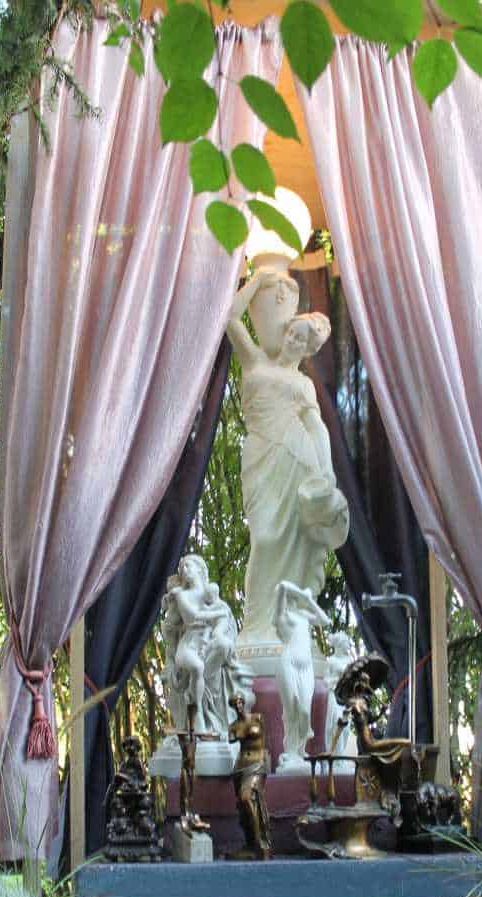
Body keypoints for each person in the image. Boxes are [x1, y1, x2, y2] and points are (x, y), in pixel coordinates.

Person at [226, 268, 349, 647]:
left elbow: (317, 428)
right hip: (261, 456)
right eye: (292, 333)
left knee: (289, 543)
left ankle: (283, 626)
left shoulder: (303, 385)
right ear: (285, 333)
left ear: (308, 349)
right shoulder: (255, 362)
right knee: (263, 538)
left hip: (298, 459)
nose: (294, 340)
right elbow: (229, 317)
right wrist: (257, 280)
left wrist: (326, 472)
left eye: (302, 340)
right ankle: (255, 625)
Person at [160, 554, 246, 738]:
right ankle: (197, 711)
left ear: (201, 569)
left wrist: (220, 624)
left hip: (207, 644)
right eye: (182, 568)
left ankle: (209, 708)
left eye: (188, 566)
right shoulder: (181, 595)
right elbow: (186, 620)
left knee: (223, 645)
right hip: (190, 644)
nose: (184, 570)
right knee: (197, 667)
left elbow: (225, 620)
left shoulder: (212, 595)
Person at [273, 579, 330, 770]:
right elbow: (282, 586)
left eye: (293, 598)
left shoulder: (304, 616)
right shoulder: (281, 616)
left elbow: (325, 620)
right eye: (290, 598)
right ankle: (290, 752)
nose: (291, 600)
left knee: (305, 710)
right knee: (292, 710)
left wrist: (309, 600)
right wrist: (301, 593)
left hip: (307, 667)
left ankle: (300, 751)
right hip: (288, 664)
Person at [228, 694, 271, 860]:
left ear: (243, 703)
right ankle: (250, 843)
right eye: (234, 703)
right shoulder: (233, 726)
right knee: (242, 806)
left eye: (239, 702)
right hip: (240, 768)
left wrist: (264, 763)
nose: (238, 705)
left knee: (247, 798)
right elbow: (232, 739)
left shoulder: (257, 718)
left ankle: (261, 842)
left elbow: (264, 742)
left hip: (258, 764)